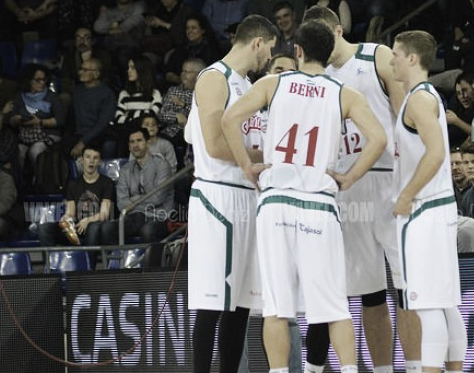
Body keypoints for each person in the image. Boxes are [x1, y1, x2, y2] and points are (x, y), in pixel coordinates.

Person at [220, 20, 385, 373]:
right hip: (319, 205)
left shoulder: (273, 83)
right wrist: (349, 178)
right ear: (329, 54)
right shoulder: (344, 92)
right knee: (333, 306)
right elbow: (379, 139)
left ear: (297, 51)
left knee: (278, 307)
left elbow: (229, 119)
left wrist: (248, 167)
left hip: (276, 202)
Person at [302, 6, 415, 373]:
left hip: (387, 178)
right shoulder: (314, 79)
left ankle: (415, 367)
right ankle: (382, 369)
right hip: (345, 188)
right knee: (369, 292)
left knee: (407, 287)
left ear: (338, 29)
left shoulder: (375, 55)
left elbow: (405, 116)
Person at [184, 14, 277, 373]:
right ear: (257, 42)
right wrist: (268, 156)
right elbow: (215, 144)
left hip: (247, 195)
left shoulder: (246, 85)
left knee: (239, 305)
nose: (268, 57)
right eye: (269, 49)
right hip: (218, 198)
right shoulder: (213, 78)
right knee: (212, 303)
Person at [390, 30, 466, 373]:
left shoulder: (420, 99)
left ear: (411, 58)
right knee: (446, 303)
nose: (391, 60)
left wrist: (406, 194)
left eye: (395, 54)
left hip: (425, 208)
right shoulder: (422, 95)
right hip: (437, 208)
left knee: (429, 304)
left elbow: (436, 153)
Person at [101, 127, 173, 265]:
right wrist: (140, 202)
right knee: (107, 228)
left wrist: (133, 200)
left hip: (159, 216)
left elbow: (158, 198)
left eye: (139, 141)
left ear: (147, 143)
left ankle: (152, 271)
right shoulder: (125, 170)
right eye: (132, 142)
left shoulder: (162, 165)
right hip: (135, 216)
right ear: (128, 146)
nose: (136, 145)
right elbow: (121, 204)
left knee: (147, 230)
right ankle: (118, 268)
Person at [37, 145, 114, 265]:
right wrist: (66, 218)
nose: (91, 161)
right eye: (88, 157)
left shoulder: (107, 183)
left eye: (95, 158)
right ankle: (50, 267)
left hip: (97, 226)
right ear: (82, 160)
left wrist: (87, 220)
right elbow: (71, 212)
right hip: (78, 227)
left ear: (99, 162)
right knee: (44, 227)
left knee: (93, 228)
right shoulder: (73, 184)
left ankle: (88, 269)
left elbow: (104, 214)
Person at [9, 64, 65, 171]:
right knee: (18, 152)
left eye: (44, 80)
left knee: (36, 151)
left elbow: (60, 120)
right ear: (29, 81)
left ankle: (41, 180)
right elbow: (12, 120)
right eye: (38, 80)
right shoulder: (20, 97)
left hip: (48, 134)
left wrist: (39, 122)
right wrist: (17, 120)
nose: (42, 83)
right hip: (25, 135)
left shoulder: (52, 97)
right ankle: (21, 183)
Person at [105, 56, 163, 158]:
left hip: (145, 134)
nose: (128, 71)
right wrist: (139, 116)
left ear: (142, 70)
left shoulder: (154, 93)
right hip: (125, 133)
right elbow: (118, 117)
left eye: (132, 68)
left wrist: (130, 116)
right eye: (128, 68)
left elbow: (151, 115)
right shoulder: (124, 94)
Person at [62, 58, 117, 160]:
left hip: (99, 136)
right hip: (78, 135)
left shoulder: (107, 94)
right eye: (80, 69)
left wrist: (82, 142)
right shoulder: (78, 91)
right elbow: (71, 119)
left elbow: (102, 124)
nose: (80, 72)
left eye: (85, 70)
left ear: (96, 74)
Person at [59, 26, 113, 106]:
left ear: (92, 41)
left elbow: (105, 78)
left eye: (86, 38)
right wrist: (78, 92)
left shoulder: (103, 55)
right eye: (78, 38)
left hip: (97, 91)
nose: (82, 41)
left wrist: (87, 61)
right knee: (64, 98)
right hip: (76, 91)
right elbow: (65, 80)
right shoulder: (70, 55)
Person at [163, 14, 222, 86]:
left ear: (203, 30)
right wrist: (180, 80)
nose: (189, 31)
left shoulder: (212, 50)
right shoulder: (181, 49)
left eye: (193, 28)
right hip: (180, 87)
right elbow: (168, 72)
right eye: (187, 28)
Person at [159, 58, 205, 148]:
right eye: (182, 71)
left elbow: (202, 116)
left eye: (187, 72)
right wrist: (176, 116)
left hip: (197, 135)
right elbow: (162, 114)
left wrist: (183, 105)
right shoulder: (173, 91)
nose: (183, 75)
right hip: (171, 133)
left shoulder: (205, 92)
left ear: (199, 74)